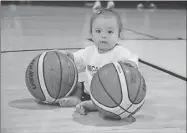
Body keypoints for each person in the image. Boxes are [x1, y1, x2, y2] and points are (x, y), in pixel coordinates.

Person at [58, 8, 139, 116]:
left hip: (108, 94)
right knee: (78, 75)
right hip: (87, 92)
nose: (103, 35)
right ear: (91, 34)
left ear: (119, 35)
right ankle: (77, 97)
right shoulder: (89, 51)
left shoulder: (120, 52)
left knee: (115, 91)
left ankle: (93, 105)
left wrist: (130, 64)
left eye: (109, 32)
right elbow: (75, 58)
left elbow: (132, 61)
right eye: (98, 31)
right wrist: (67, 56)